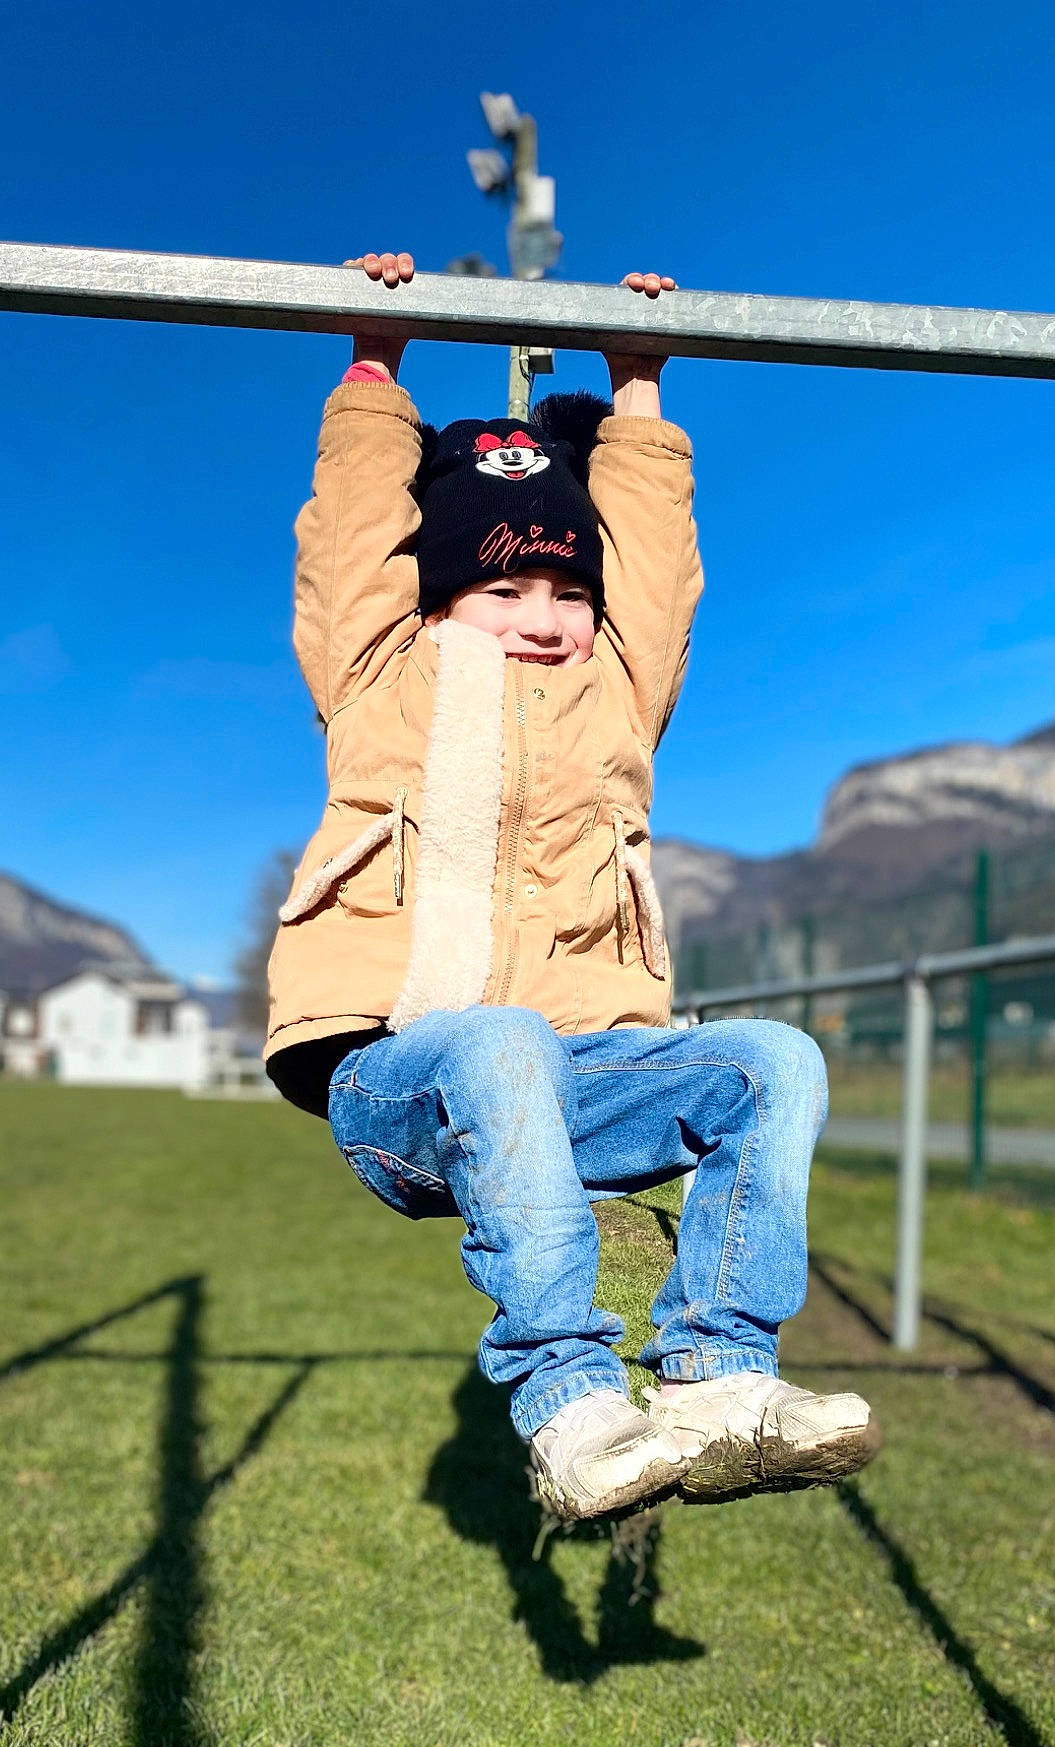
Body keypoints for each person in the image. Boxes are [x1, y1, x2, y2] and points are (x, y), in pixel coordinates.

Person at [265, 250, 880, 1522]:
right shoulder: (381, 671)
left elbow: (653, 569)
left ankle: (718, 1374)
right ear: (442, 596)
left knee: (776, 1060)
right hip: (399, 1077)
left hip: (575, 1070)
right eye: (503, 588)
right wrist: (376, 362)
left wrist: (638, 386)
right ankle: (571, 1401)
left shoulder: (620, 692)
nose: (542, 616)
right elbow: (349, 546)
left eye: (563, 590)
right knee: (496, 1040)